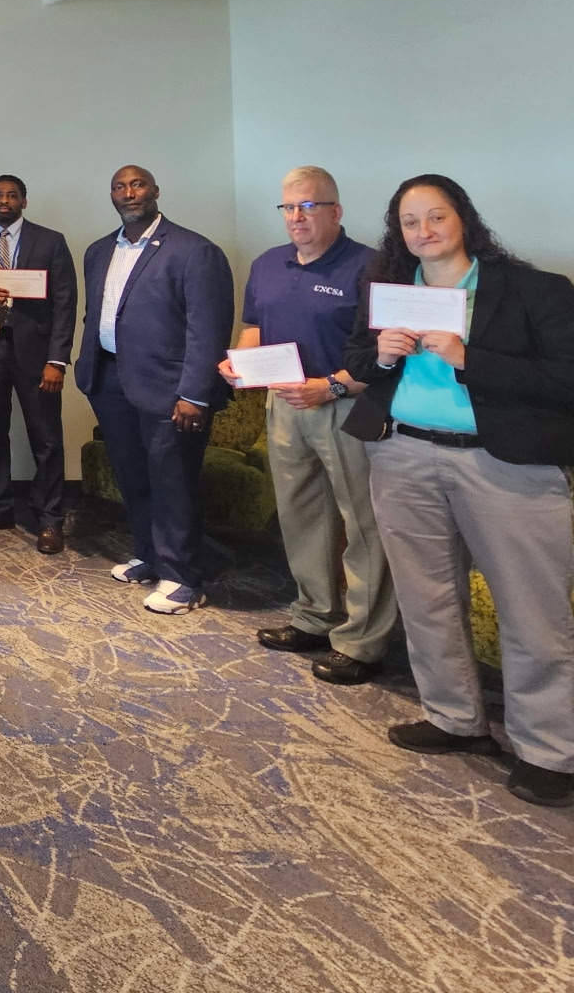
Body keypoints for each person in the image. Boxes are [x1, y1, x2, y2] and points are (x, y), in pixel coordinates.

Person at [342, 175, 574, 808]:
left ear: (463, 218)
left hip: (504, 467)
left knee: (533, 611)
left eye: (436, 216)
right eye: (411, 222)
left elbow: (566, 379)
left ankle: (549, 750)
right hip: (402, 454)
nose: (425, 231)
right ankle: (454, 719)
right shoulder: (389, 293)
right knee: (426, 597)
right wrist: (382, 357)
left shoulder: (533, 289)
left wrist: (469, 357)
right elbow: (358, 362)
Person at [218, 166, 392, 685]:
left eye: (309, 206)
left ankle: (363, 640)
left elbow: (387, 352)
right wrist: (239, 363)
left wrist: (333, 386)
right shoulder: (268, 264)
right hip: (284, 407)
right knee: (300, 516)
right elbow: (254, 328)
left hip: (344, 405)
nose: (297, 217)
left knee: (362, 524)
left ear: (336, 211)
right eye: (289, 207)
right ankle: (315, 616)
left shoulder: (370, 267)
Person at [76, 165, 234, 615]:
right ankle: (149, 554)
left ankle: (184, 578)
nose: (129, 193)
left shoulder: (194, 250)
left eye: (138, 184)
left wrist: (195, 393)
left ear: (156, 191)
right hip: (110, 380)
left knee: (173, 481)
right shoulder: (99, 250)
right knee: (133, 476)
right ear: (111, 195)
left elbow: (208, 330)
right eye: (120, 186)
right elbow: (99, 314)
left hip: (171, 390)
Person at [0, 175, 78, 555]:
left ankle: (49, 518)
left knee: (45, 436)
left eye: (12, 195)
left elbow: (65, 302)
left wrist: (57, 359)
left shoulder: (50, 241)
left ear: (24, 201)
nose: (4, 201)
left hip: (37, 355)